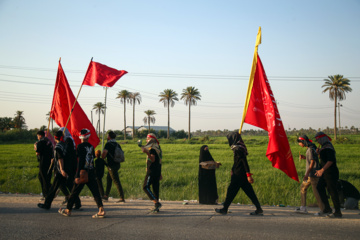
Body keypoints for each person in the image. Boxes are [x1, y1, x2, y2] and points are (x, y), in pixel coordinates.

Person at [58, 129, 105, 218]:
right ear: (88, 137)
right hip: (90, 172)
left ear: (81, 137)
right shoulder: (91, 147)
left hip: (82, 173)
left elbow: (80, 161)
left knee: (74, 192)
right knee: (96, 192)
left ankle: (68, 210)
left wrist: (77, 175)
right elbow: (92, 160)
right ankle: (101, 209)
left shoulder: (79, 147)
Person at [215, 132, 263, 215]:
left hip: (239, 175)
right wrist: (232, 169)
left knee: (231, 191)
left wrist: (248, 175)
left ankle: (224, 209)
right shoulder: (238, 148)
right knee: (250, 192)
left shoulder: (238, 149)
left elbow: (244, 161)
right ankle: (259, 208)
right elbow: (237, 161)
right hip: (239, 173)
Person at [38, 130, 70, 209]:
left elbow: (60, 158)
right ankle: (76, 202)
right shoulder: (65, 145)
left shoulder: (58, 146)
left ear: (55, 137)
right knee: (65, 186)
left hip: (59, 170)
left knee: (53, 189)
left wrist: (61, 169)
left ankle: (47, 204)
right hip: (65, 168)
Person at [295, 135, 325, 215]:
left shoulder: (311, 149)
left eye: (300, 143)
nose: (299, 144)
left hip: (312, 174)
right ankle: (303, 207)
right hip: (310, 174)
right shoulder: (311, 148)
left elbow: (312, 162)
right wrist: (305, 157)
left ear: (303, 142)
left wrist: (307, 174)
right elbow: (312, 158)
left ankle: (323, 210)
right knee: (303, 188)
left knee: (316, 192)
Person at [315, 131, 342, 218]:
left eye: (318, 140)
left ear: (322, 139)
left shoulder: (328, 147)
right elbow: (324, 159)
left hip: (330, 173)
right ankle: (327, 208)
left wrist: (322, 170)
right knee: (319, 187)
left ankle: (338, 212)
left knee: (332, 191)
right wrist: (319, 154)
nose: (318, 142)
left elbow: (330, 160)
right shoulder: (324, 147)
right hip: (325, 173)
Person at [101, 131, 125, 203]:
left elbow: (104, 153)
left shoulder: (108, 144)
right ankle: (106, 195)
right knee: (109, 179)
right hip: (117, 164)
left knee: (116, 180)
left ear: (109, 137)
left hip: (111, 165)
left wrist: (102, 157)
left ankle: (122, 197)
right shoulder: (117, 144)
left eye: (107, 136)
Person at [141, 133, 162, 212]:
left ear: (151, 140)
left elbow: (152, 159)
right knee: (155, 188)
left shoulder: (152, 148)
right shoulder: (158, 147)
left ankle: (156, 203)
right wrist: (160, 173)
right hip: (157, 171)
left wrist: (147, 152)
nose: (146, 140)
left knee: (145, 187)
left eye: (147, 139)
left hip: (151, 171)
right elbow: (159, 161)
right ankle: (157, 207)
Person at [35, 130, 53, 199]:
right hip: (50, 161)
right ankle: (49, 190)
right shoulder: (49, 141)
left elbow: (38, 153)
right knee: (42, 176)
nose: (37, 138)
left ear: (40, 135)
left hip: (43, 161)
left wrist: (35, 147)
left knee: (44, 178)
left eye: (37, 136)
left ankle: (47, 194)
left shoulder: (40, 142)